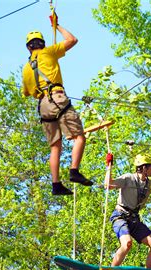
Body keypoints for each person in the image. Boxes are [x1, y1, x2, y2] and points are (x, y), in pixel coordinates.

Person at [22, 13, 92, 196]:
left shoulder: (26, 68)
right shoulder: (48, 52)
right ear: (42, 44)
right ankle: (74, 171)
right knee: (79, 137)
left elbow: (27, 92)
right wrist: (57, 25)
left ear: (29, 48)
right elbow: (72, 40)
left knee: (55, 146)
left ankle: (56, 184)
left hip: (42, 105)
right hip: (57, 97)